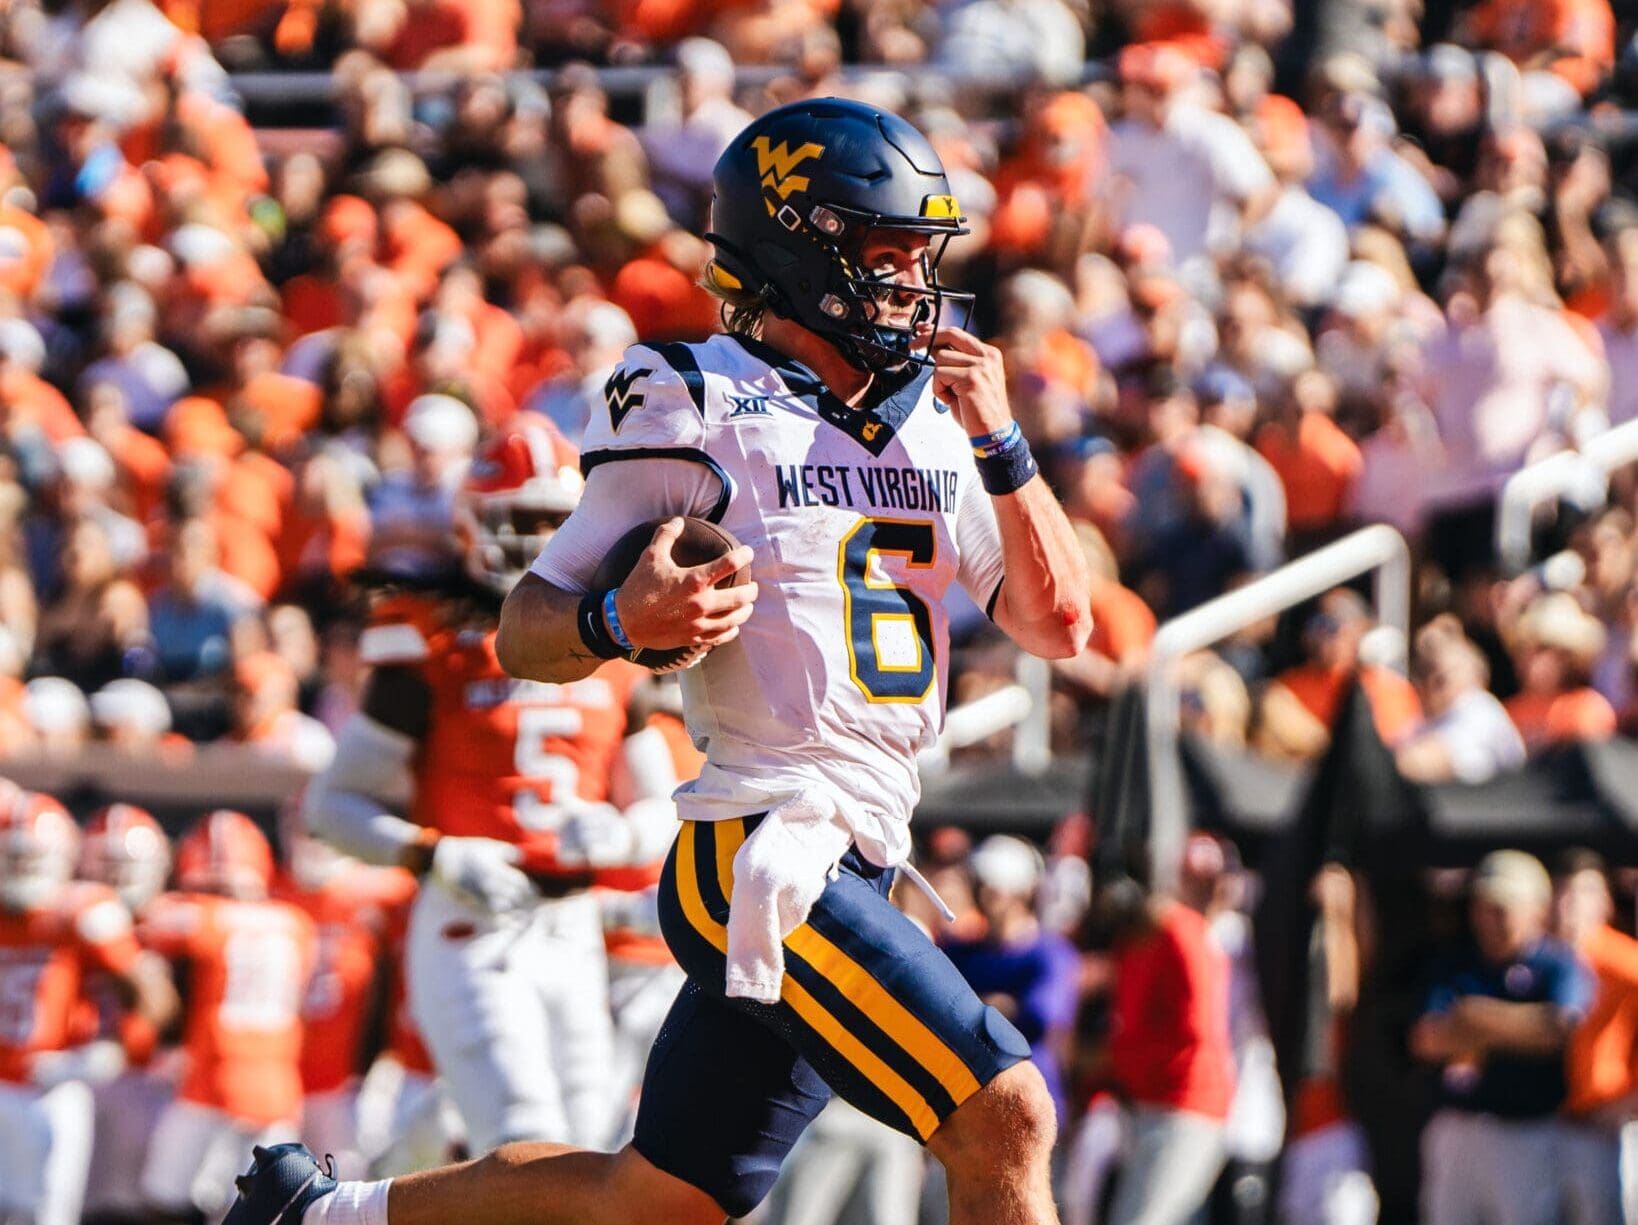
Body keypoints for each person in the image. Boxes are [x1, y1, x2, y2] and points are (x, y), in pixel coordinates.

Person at [226, 96, 1089, 1225]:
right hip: (760, 845)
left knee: (654, 1200)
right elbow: (525, 623)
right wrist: (620, 623)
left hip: (861, 842)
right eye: (881, 254)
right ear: (793, 252)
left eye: (915, 258)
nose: (908, 285)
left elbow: (1060, 624)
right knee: (1006, 1111)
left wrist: (1006, 447)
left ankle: (317, 1214)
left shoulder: (939, 422)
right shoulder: (696, 396)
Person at [302, 420, 677, 1158]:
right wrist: (433, 856)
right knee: (524, 1137)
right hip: (470, 920)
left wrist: (624, 834)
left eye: (552, 520)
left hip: (575, 927)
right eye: (519, 518)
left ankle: (378, 1190)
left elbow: (659, 807)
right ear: (473, 521)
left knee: (589, 1148)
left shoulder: (613, 642)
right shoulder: (434, 643)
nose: (536, 538)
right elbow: (332, 806)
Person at [0, 783, 177, 1225]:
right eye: (13, 857)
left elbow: (156, 999)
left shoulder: (82, 912)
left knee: (49, 1214)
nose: (22, 870)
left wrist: (111, 1053)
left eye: (32, 858)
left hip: (49, 1086)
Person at [138, 811, 318, 1223]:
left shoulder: (200, 917)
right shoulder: (296, 923)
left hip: (209, 1082)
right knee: (262, 1212)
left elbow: (148, 925)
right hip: (277, 1086)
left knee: (165, 1202)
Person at [1411, 850, 1593, 1225]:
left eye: (1501, 907)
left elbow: (1558, 1029)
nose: (1488, 919)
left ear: (1536, 909)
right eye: (1482, 906)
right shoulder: (1455, 961)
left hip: (1526, 1133)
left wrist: (1475, 1016)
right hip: (1459, 1125)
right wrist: (1518, 1027)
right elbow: (1427, 1039)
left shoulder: (1557, 964)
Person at [1553, 850, 1638, 1225]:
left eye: (1582, 892)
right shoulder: (1542, 956)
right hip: (1543, 1123)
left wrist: (1630, 1100)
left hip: (1604, 1126)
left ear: (1604, 899)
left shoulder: (1625, 961)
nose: (1569, 904)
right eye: (1563, 892)